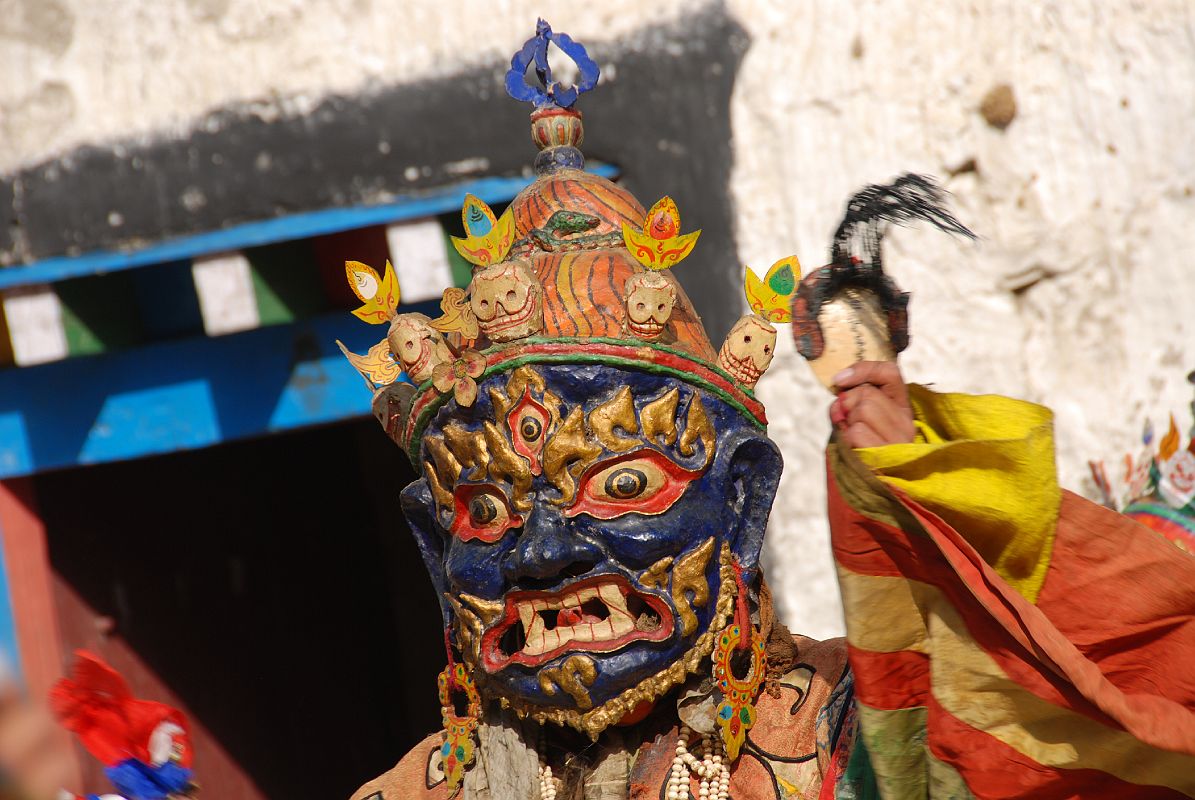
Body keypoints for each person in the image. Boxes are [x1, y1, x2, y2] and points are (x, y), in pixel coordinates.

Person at [342, 21, 1195, 800]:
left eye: (624, 483)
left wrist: (926, 491)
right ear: (433, 545)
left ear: (742, 499)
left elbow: (1093, 684)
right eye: (486, 513)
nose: (543, 551)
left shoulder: (837, 741)